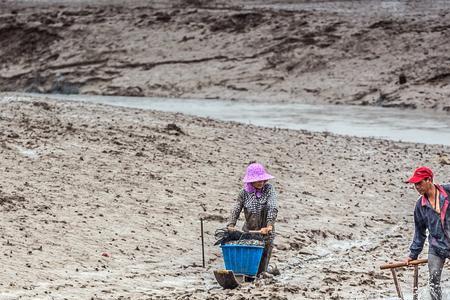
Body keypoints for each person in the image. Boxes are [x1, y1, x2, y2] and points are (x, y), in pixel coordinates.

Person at [405, 166, 450, 300]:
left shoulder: (447, 192)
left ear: (429, 179)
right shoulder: (420, 206)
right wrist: (413, 254)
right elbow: (420, 232)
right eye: (415, 184)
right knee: (434, 282)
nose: (417, 187)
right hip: (436, 247)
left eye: (419, 183)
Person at [227, 162, 278, 276]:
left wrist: (269, 225)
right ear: (251, 181)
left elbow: (272, 207)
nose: (261, 182)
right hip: (249, 231)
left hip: (266, 233)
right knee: (247, 263)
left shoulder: (269, 189)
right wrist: (231, 224)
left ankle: (270, 270)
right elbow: (236, 208)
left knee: (261, 270)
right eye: (257, 180)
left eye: (262, 180)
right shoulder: (244, 193)